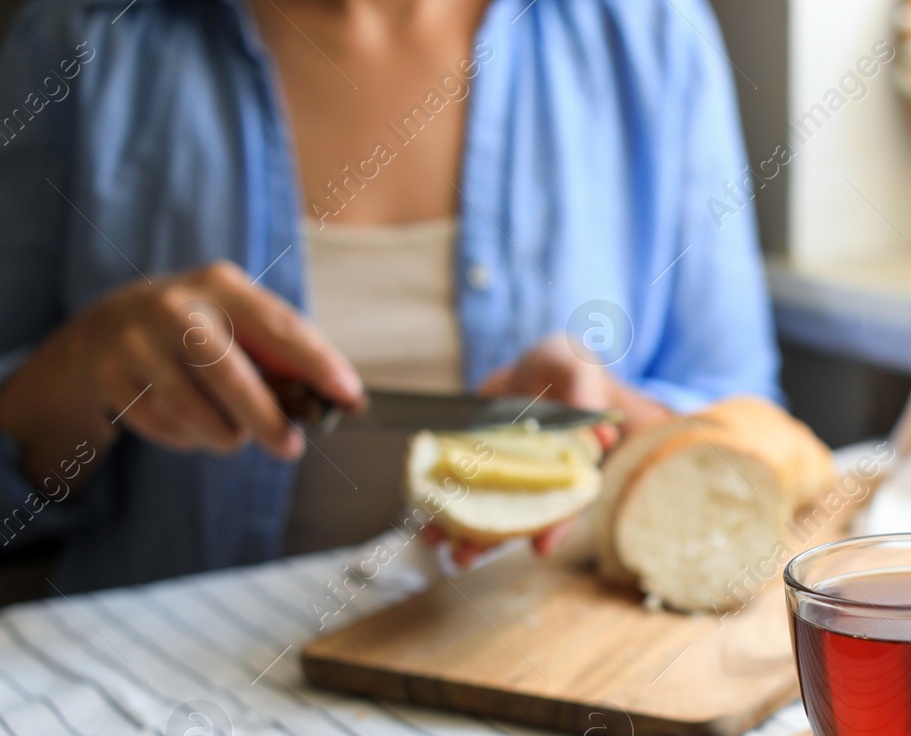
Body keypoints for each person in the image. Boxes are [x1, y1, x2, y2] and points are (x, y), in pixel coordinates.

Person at [0, 0, 779, 592]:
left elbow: (748, 423)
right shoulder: (82, 41)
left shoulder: (648, 34)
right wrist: (88, 365)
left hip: (536, 682)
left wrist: (613, 421)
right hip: (149, 712)